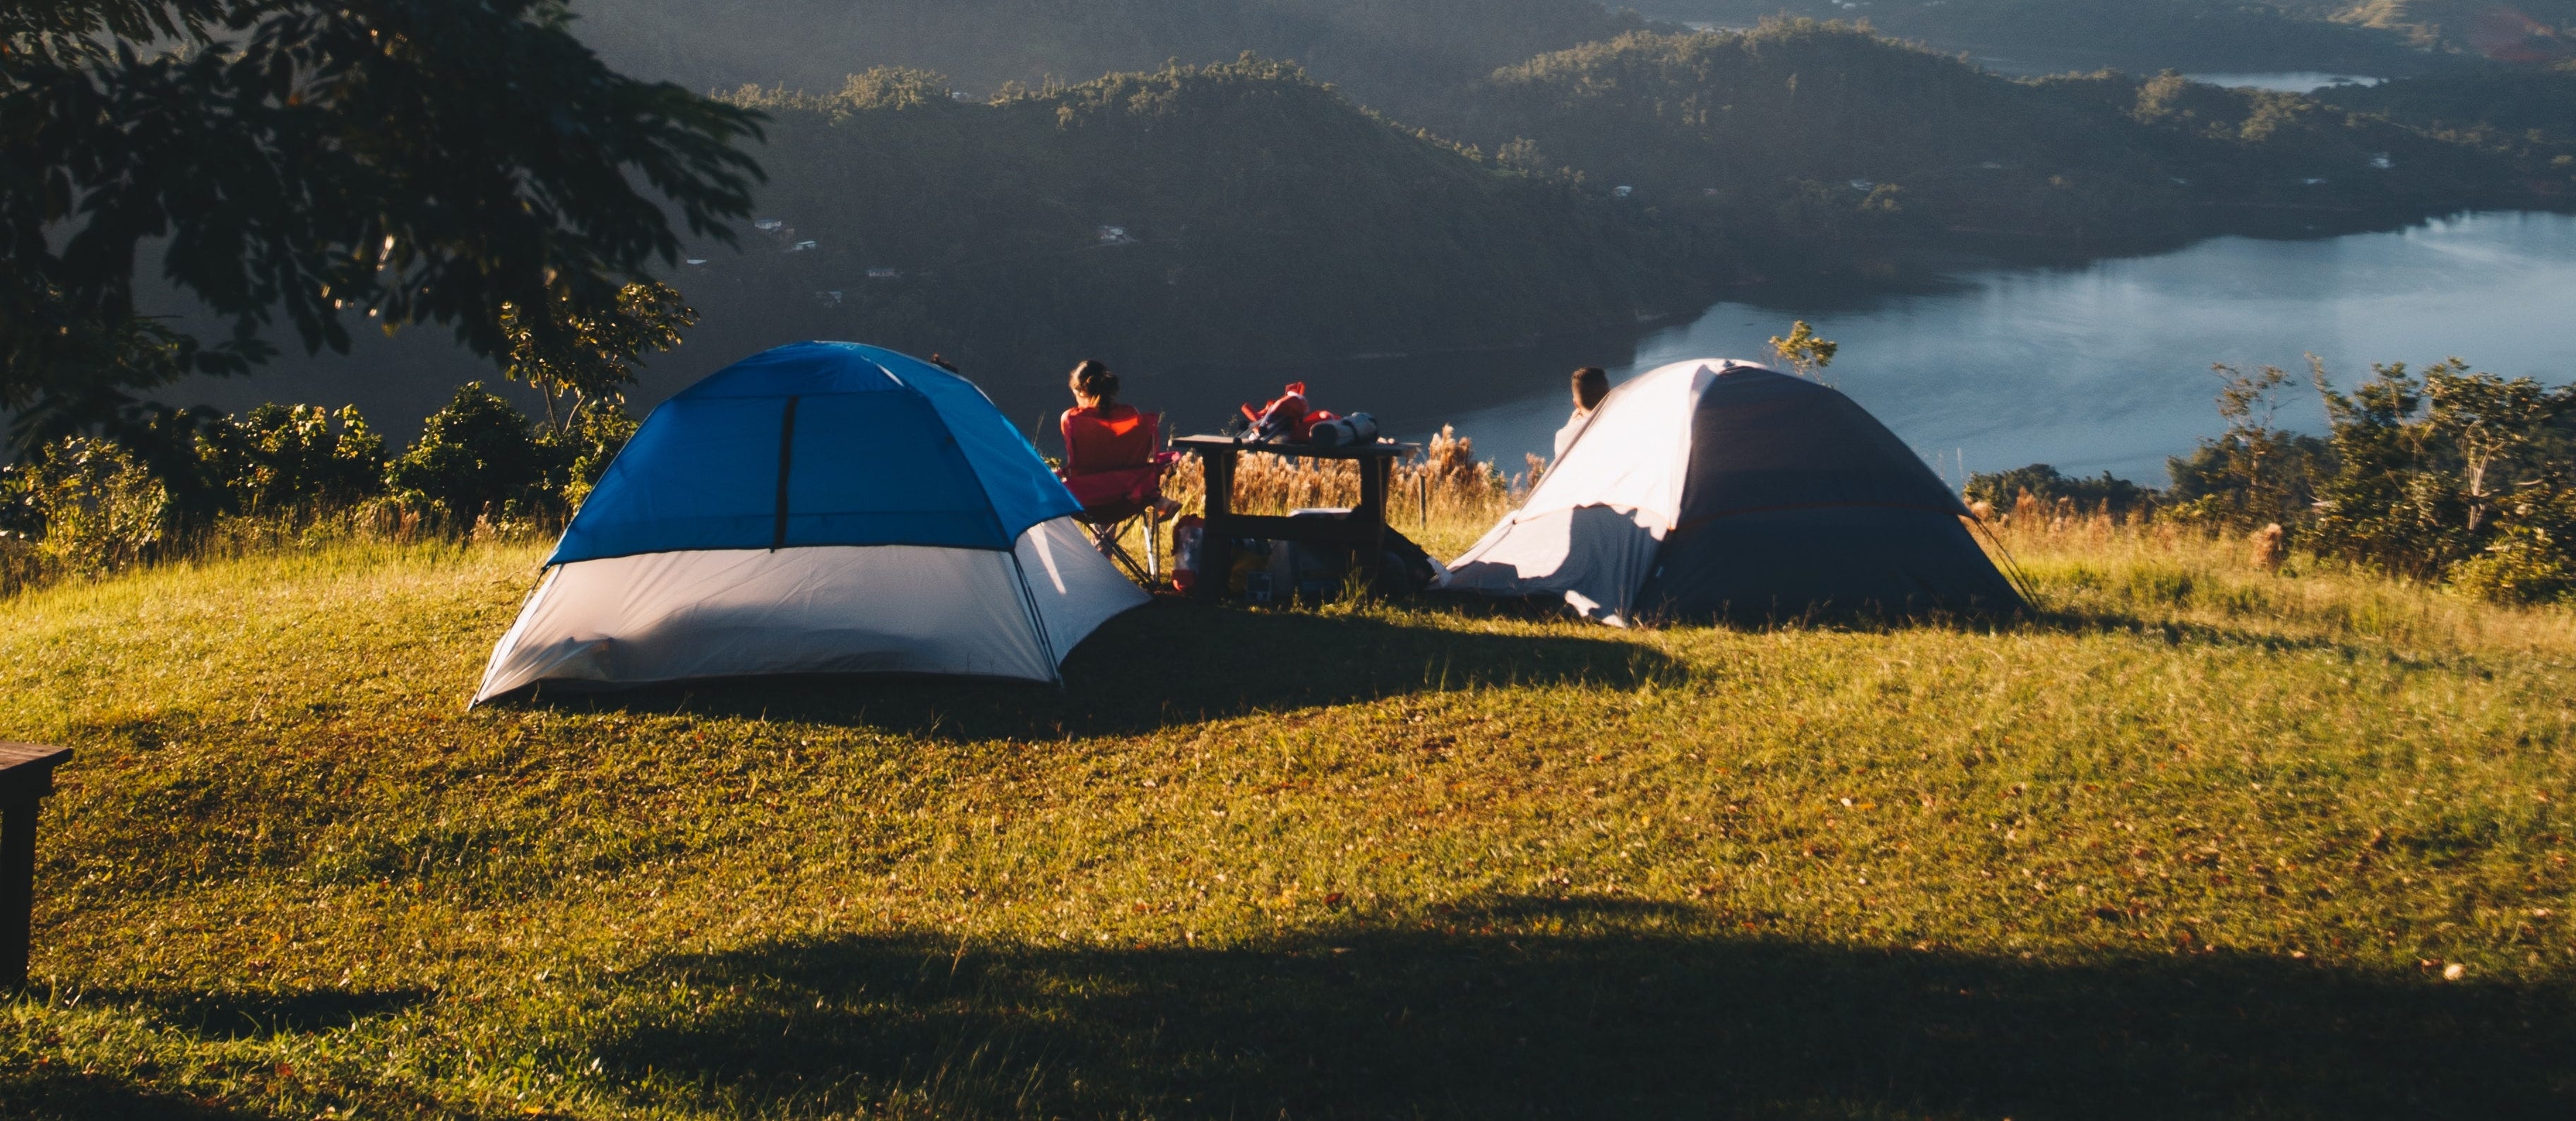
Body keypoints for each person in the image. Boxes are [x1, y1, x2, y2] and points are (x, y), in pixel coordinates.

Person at [1554, 366, 1609, 460]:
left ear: (1575, 403)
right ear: (1609, 394)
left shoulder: (1563, 437)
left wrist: (1569, 428)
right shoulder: (1624, 422)